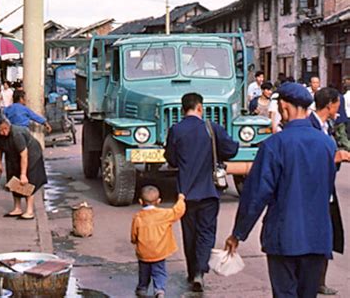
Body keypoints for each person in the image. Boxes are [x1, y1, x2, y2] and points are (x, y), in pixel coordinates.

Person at [225, 82, 337, 298]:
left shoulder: (274, 145)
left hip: (284, 237)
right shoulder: (327, 144)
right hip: (318, 237)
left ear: (284, 106)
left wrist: (238, 233)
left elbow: (256, 195)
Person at [164, 93, 238, 292]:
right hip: (208, 191)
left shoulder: (176, 130)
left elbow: (171, 159)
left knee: (190, 233)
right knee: (206, 233)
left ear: (183, 109)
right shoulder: (211, 128)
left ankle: (191, 272)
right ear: (199, 107)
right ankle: (200, 272)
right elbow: (232, 150)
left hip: (185, 194)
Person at [309, 87, 349, 295]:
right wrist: (336, 156)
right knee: (317, 236)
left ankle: (319, 281)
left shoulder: (328, 126)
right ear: (329, 105)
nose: (339, 109)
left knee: (328, 235)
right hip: (314, 191)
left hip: (328, 188)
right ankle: (311, 281)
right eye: (337, 105)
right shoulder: (311, 127)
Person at [131, 186, 186, 298]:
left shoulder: (138, 217)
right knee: (159, 271)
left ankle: (142, 288)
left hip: (143, 253)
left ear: (140, 201)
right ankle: (159, 290)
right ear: (159, 201)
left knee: (143, 272)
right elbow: (178, 211)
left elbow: (134, 235)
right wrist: (181, 199)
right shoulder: (164, 214)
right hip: (160, 252)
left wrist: (134, 241)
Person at [0, 115, 48, 220]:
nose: (4, 132)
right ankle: (17, 208)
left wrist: (23, 174)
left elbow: (24, 154)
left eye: (6, 129)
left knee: (28, 180)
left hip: (31, 155)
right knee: (13, 178)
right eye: (1, 130)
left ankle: (29, 210)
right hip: (12, 155)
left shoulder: (16, 134)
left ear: (9, 126)